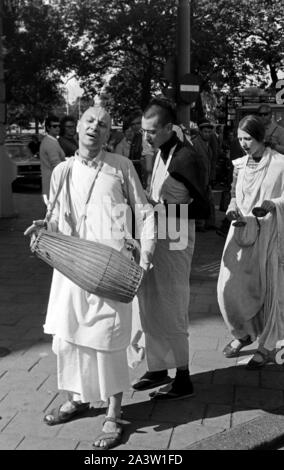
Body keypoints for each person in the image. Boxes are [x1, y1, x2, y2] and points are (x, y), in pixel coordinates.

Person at [24, 104, 155, 449]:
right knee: (69, 338)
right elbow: (58, 218)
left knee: (109, 339)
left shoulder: (121, 167)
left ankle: (114, 412)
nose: (95, 128)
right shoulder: (62, 171)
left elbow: (145, 213)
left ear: (109, 134)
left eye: (103, 124)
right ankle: (77, 398)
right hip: (72, 266)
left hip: (112, 268)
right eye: (89, 121)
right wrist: (45, 226)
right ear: (78, 127)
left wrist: (147, 252)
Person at [133, 97, 209, 400]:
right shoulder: (163, 151)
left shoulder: (185, 157)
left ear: (168, 128)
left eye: (151, 131)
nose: (146, 137)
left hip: (176, 237)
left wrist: (159, 211)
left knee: (173, 304)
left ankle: (183, 376)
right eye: (142, 131)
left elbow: (203, 210)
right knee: (150, 301)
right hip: (156, 235)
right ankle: (157, 368)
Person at [218, 114, 284, 369]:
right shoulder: (240, 165)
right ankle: (242, 333)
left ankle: (267, 346)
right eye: (240, 139)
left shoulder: (279, 163)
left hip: (269, 234)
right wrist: (232, 209)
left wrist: (273, 204)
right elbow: (235, 197)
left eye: (248, 138)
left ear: (259, 137)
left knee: (268, 289)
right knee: (229, 289)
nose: (243, 143)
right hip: (240, 232)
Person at [192, 118, 216, 231]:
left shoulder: (208, 143)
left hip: (206, 178)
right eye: (205, 132)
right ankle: (199, 224)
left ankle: (208, 223)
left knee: (208, 200)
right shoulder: (195, 143)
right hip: (198, 178)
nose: (207, 134)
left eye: (209, 132)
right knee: (200, 201)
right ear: (200, 132)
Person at [39, 115, 66, 205]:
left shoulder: (51, 141)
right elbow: (57, 166)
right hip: (53, 186)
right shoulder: (50, 143)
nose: (57, 128)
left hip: (51, 184)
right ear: (48, 128)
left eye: (59, 126)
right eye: (54, 126)